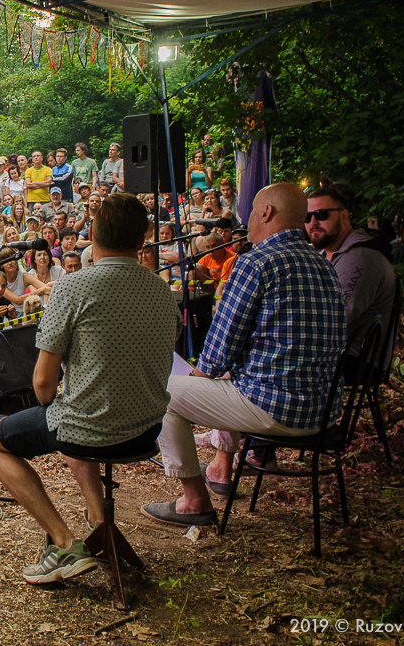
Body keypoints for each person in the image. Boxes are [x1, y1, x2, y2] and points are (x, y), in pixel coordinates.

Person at [0, 193, 180, 583]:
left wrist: (57, 395)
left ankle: (63, 542)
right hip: (146, 429)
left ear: (91, 233)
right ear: (143, 240)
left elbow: (42, 385)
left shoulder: (72, 287)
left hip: (91, 429)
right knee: (73, 413)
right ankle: (97, 516)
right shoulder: (161, 290)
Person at [142, 183, 346, 526]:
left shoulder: (257, 262)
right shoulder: (324, 263)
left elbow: (216, 355)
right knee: (233, 375)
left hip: (278, 409)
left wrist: (195, 377)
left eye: (251, 211)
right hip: (324, 410)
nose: (247, 219)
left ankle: (193, 501)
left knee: (163, 391)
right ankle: (221, 471)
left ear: (266, 213)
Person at [305, 180, 397, 347]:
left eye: (321, 214)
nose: (313, 223)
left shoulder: (359, 256)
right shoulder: (325, 254)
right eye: (306, 217)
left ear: (344, 216)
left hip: (352, 366)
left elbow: (330, 322)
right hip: (331, 359)